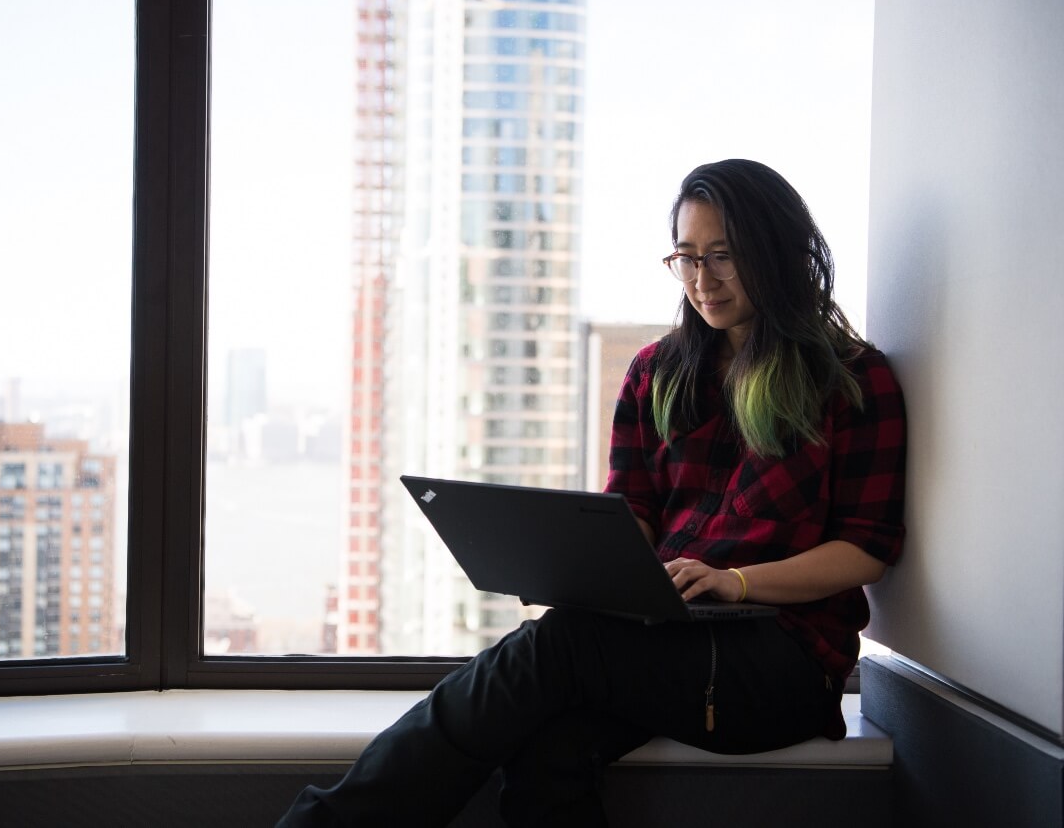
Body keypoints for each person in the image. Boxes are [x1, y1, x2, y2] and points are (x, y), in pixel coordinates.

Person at [277, 159, 906, 827]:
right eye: (685, 258)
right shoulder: (657, 373)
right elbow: (633, 510)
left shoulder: (853, 380)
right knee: (552, 746)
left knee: (555, 647)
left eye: (722, 255)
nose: (701, 279)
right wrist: (581, 569)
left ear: (774, 251)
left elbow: (866, 552)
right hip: (670, 641)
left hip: (784, 662)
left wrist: (737, 582)